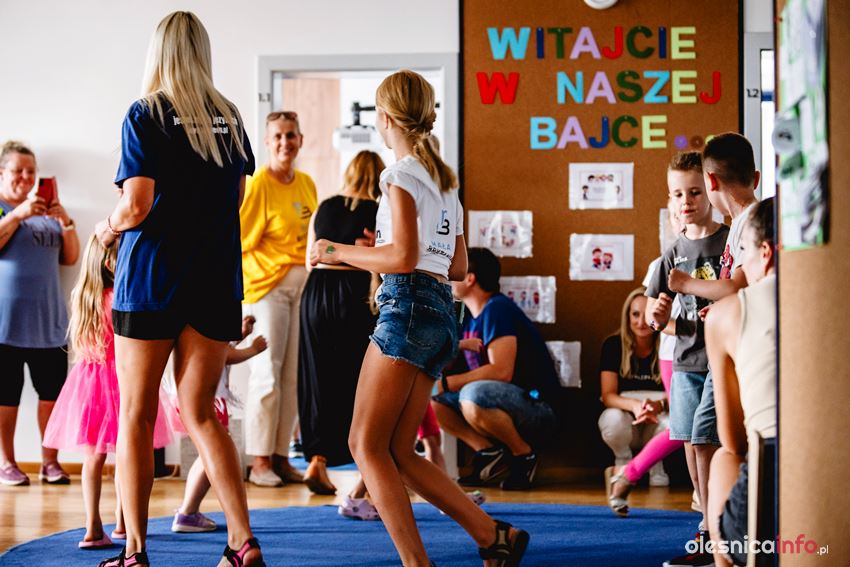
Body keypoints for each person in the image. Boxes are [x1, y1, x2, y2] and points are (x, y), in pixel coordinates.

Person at [310, 69, 529, 567]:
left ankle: (416, 562)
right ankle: (493, 534)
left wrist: (334, 251)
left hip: (406, 309)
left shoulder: (398, 176)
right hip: (439, 314)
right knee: (400, 451)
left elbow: (403, 258)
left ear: (385, 118)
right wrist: (384, 253)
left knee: (364, 445)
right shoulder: (446, 184)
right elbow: (457, 267)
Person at [94, 12, 263, 567]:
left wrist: (106, 227)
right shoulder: (230, 117)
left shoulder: (144, 114)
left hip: (152, 280)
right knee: (201, 414)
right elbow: (235, 201)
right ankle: (242, 541)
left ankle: (135, 551)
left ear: (159, 52)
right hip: (215, 281)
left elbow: (136, 205)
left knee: (137, 415)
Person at [42, 235, 173, 548]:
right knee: (126, 452)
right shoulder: (119, 298)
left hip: (88, 386)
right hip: (119, 382)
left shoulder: (83, 297)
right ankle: (123, 522)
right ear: (112, 263)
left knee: (93, 459)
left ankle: (92, 526)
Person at [645, 151, 728, 567]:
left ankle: (715, 530)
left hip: (719, 359)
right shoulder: (672, 252)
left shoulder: (728, 241)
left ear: (709, 191)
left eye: (694, 192)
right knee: (689, 444)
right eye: (677, 194)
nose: (686, 201)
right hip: (685, 362)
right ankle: (706, 521)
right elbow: (652, 314)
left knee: (703, 438)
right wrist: (658, 316)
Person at [433, 247, 560, 491]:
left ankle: (523, 455)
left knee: (472, 393)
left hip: (538, 408)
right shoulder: (468, 317)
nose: (448, 278)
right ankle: (488, 453)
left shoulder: (497, 309)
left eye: (453, 272)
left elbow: (502, 371)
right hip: (499, 401)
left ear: (470, 278)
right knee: (430, 399)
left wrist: (447, 383)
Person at [240, 110, 317, 487]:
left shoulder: (306, 183)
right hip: (267, 288)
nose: (285, 142)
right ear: (268, 143)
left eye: (291, 135)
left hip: (303, 287)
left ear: (300, 140)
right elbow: (239, 240)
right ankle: (259, 462)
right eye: (278, 137)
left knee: (293, 377)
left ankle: (283, 457)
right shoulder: (258, 185)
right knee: (267, 373)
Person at [298, 150, 382, 495]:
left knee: (316, 377)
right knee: (356, 379)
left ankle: (317, 461)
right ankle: (367, 465)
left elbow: (309, 260)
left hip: (316, 292)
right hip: (355, 292)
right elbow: (386, 256)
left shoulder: (325, 206)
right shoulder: (379, 211)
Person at [0, 140, 80, 486]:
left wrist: (66, 221)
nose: (25, 176)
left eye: (30, 171)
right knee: (6, 399)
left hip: (49, 324)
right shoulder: (7, 210)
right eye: (18, 170)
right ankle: (7, 463)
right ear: (2, 173)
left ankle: (50, 463)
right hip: (5, 326)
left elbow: (70, 258)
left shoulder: (47, 213)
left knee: (52, 399)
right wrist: (19, 214)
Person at [705, 198, 776, 567]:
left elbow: (733, 439)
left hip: (764, 513)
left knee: (723, 456)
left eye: (744, 251)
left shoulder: (725, 314)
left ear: (766, 253)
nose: (741, 265)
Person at [171, 316, 267, 533]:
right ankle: (188, 511)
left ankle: (189, 509)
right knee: (215, 450)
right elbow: (221, 353)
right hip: (210, 397)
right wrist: (252, 350)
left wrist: (242, 334)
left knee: (208, 452)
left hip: (199, 394)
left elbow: (218, 345)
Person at [598, 287, 669, 517]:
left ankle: (655, 465)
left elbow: (678, 392)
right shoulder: (613, 345)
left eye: (646, 314)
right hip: (628, 417)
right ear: (627, 316)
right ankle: (623, 461)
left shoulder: (668, 343)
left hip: (658, 416)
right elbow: (608, 395)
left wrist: (658, 406)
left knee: (675, 423)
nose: (640, 322)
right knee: (611, 418)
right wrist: (636, 406)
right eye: (635, 314)